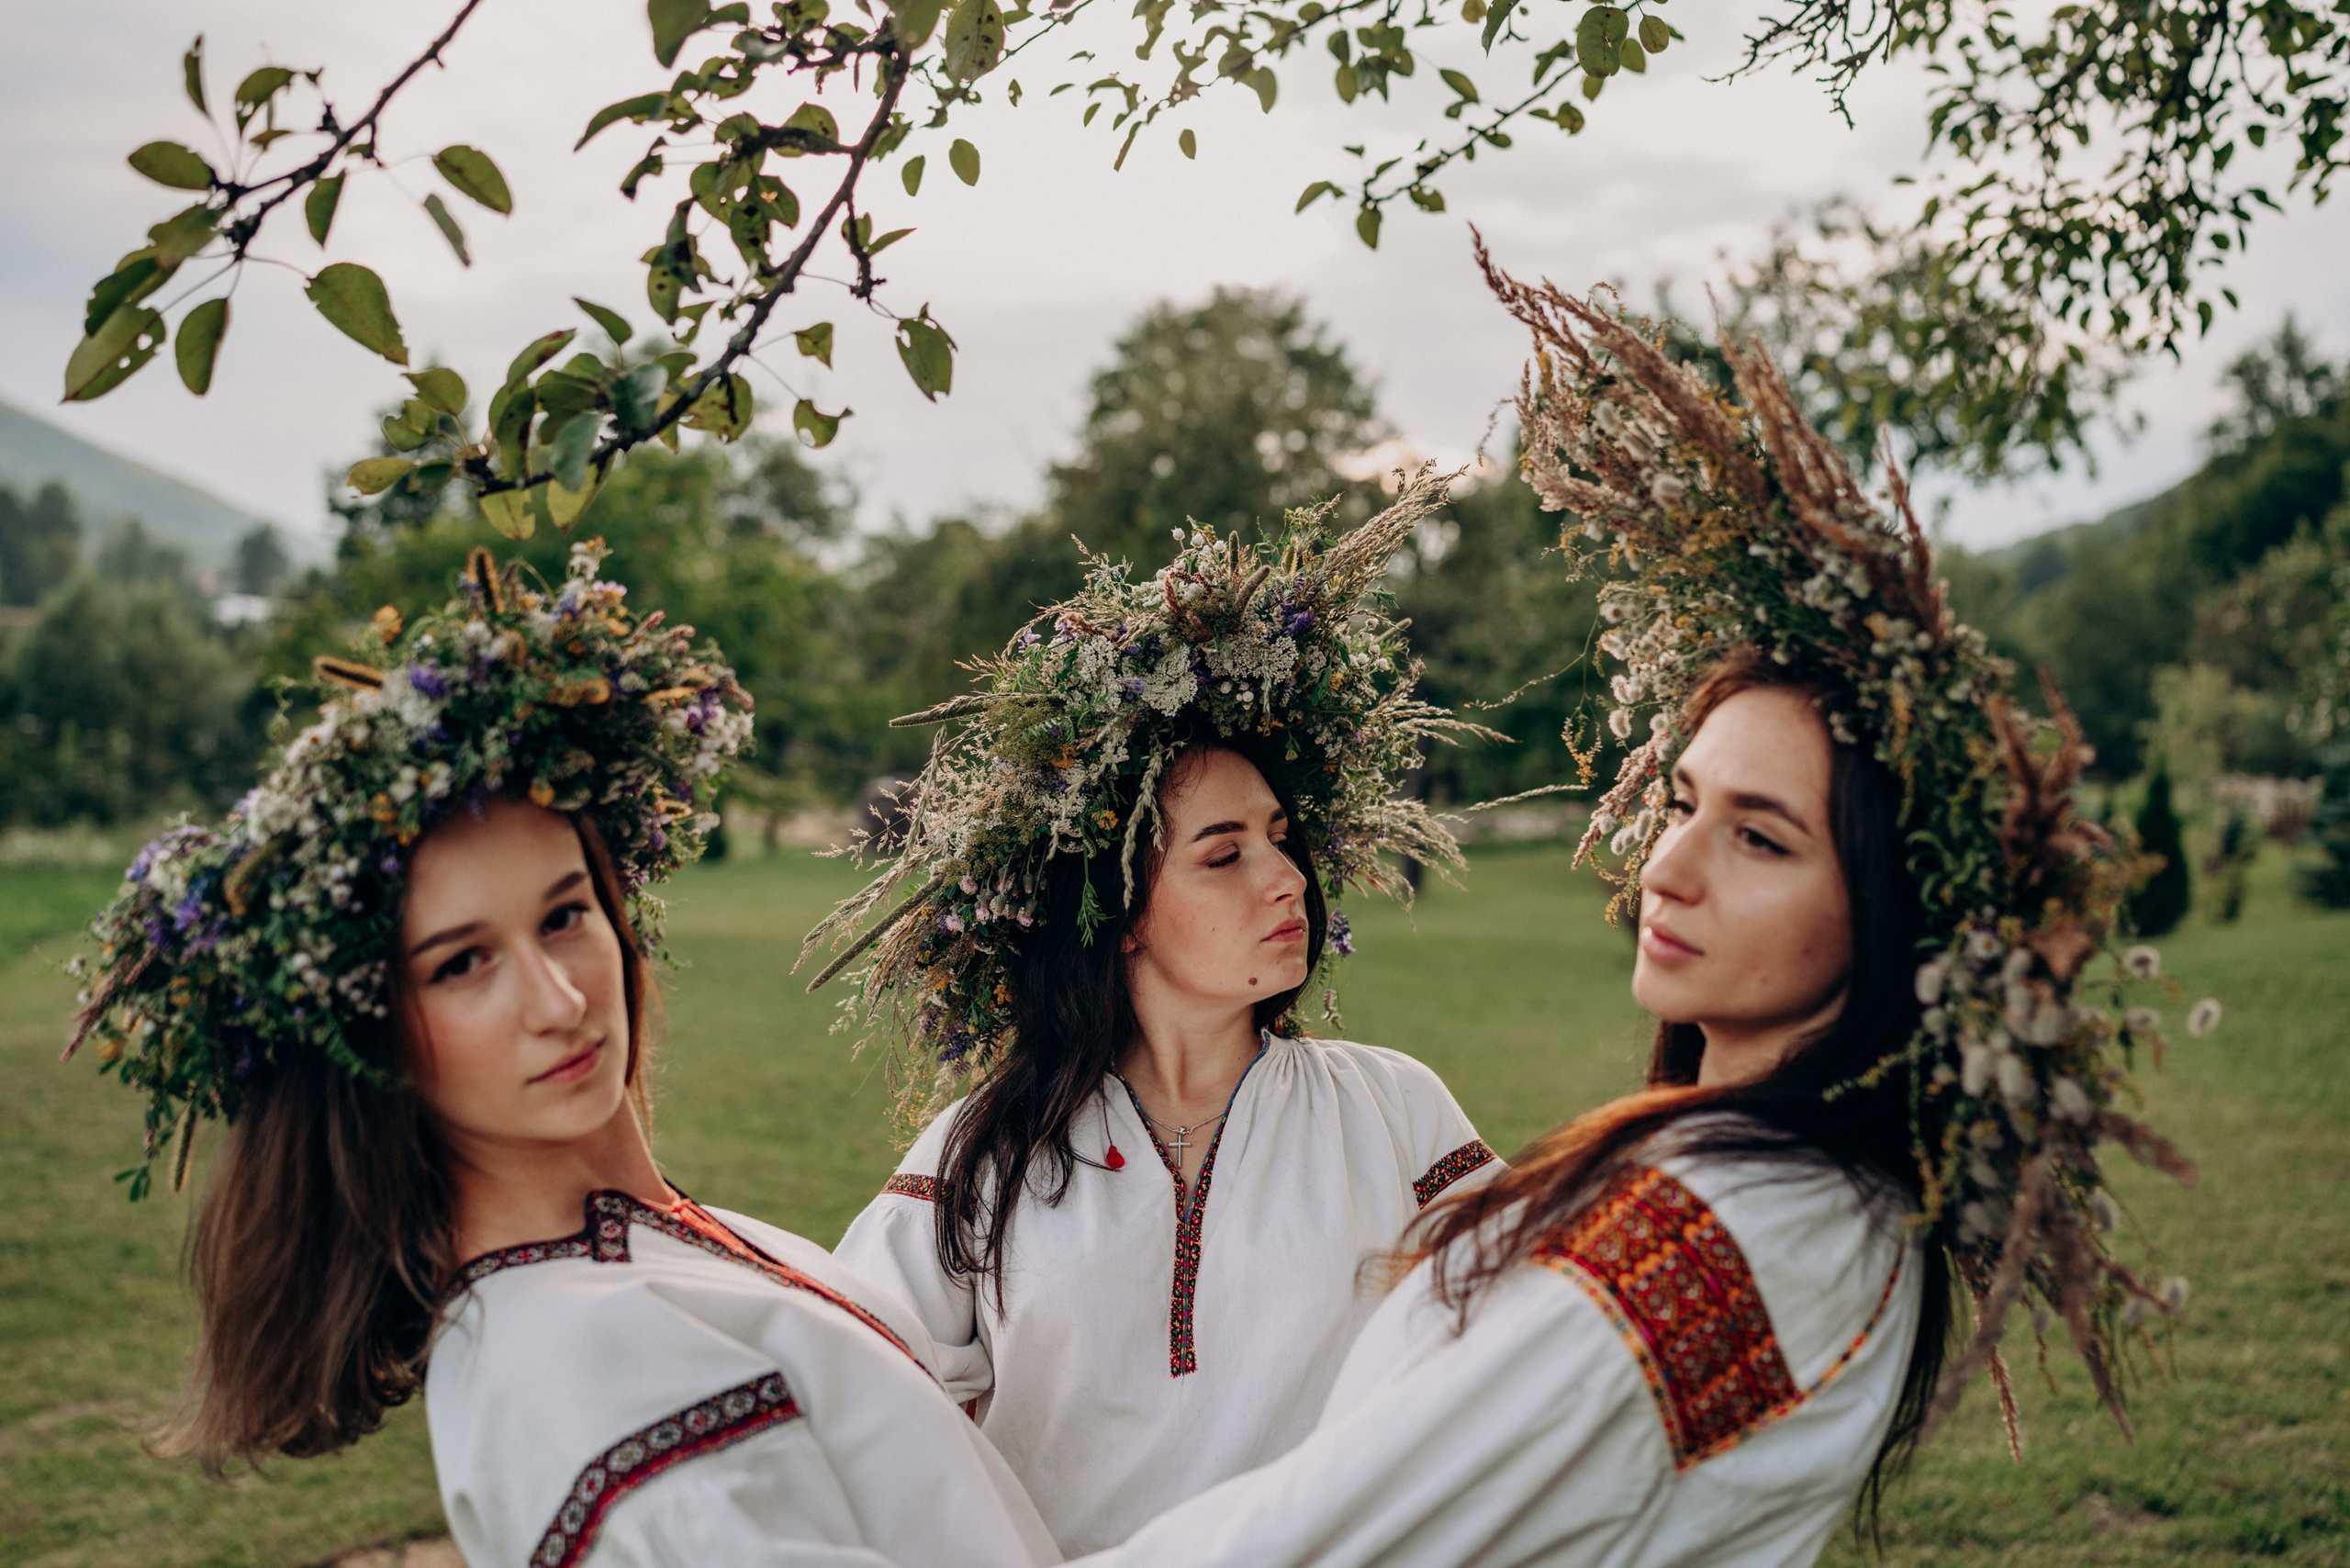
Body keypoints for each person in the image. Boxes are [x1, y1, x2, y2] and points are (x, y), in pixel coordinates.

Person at [1062, 261, 2205, 1568]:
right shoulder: (1795, 1195)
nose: (1668, 869)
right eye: (1684, 801)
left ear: (1889, 918)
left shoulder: (1706, 1245)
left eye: (1761, 837)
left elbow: (1315, 1540)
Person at [68, 543, 1058, 1568]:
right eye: (461, 965)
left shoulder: (648, 1242)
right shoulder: (575, 1364)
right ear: (371, 1035)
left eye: (564, 914)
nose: (560, 996)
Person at [804, 476, 1505, 1555]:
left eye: (1280, 838)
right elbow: (844, 1402)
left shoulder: (1394, 1113)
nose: (1285, 881)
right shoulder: (982, 1153)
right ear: (1119, 912)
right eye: (1223, 855)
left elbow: (1529, 1358)